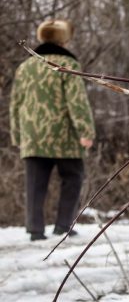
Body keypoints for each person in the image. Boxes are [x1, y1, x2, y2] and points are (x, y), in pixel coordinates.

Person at [10, 19, 95, 241]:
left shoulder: (25, 67)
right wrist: (86, 132)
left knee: (35, 184)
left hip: (32, 137)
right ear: (63, 39)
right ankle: (64, 225)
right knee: (73, 178)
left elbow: (16, 103)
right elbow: (76, 102)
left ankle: (35, 230)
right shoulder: (67, 64)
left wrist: (17, 134)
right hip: (64, 137)